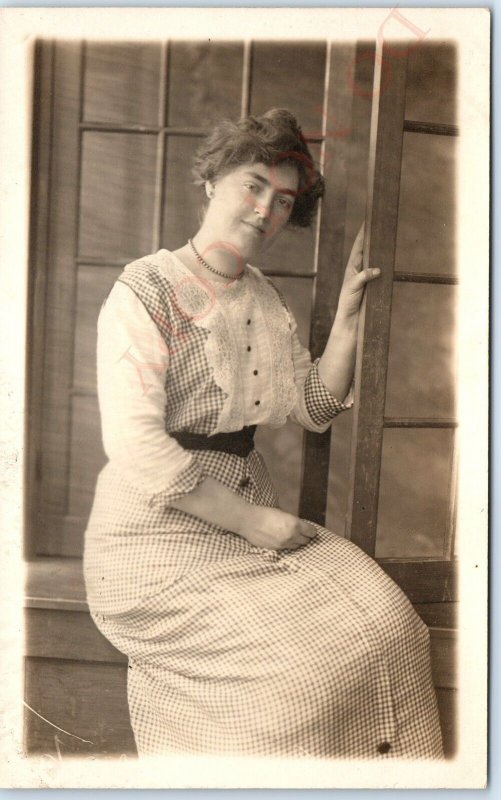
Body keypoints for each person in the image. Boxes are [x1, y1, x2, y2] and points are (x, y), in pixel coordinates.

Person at [83, 108, 443, 760]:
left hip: (242, 524)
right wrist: (252, 523)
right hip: (153, 538)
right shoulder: (147, 289)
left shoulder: (261, 299)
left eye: (282, 201)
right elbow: (135, 444)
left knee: (390, 628)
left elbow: (311, 407)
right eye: (252, 186)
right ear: (212, 180)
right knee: (302, 683)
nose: (263, 211)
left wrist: (347, 318)